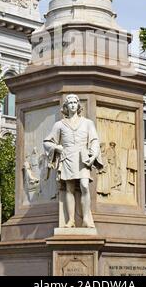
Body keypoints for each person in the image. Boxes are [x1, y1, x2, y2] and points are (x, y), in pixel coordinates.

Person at [43, 94, 103, 228]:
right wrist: (56, 147)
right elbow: (47, 142)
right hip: (67, 156)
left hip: (83, 157)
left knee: (84, 186)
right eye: (69, 103)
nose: (72, 105)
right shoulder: (59, 125)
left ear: (78, 105)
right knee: (69, 188)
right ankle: (71, 220)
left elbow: (94, 141)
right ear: (65, 106)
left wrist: (93, 157)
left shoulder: (88, 123)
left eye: (75, 102)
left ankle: (86, 218)